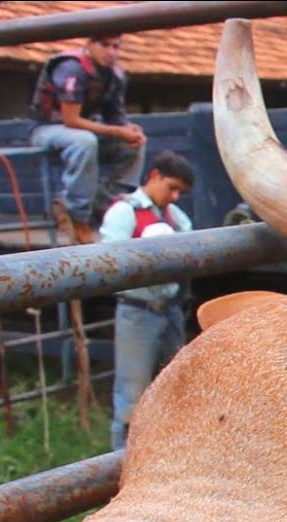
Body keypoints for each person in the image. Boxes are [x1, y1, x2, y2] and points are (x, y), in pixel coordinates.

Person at [100, 150, 195, 451]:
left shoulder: (175, 216)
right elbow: (108, 262)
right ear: (154, 176)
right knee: (132, 394)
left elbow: (193, 250)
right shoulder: (124, 212)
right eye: (172, 187)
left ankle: (169, 456)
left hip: (170, 309)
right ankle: (121, 463)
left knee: (176, 388)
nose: (175, 196)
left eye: (180, 191)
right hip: (138, 311)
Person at [28, 35, 147, 245]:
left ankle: (107, 203)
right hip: (47, 129)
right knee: (85, 141)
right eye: (105, 45)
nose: (111, 52)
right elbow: (71, 120)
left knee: (134, 143)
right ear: (90, 45)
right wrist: (118, 131)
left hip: (84, 128)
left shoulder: (115, 75)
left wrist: (128, 129)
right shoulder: (71, 68)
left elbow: (115, 117)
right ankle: (77, 214)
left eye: (115, 47)